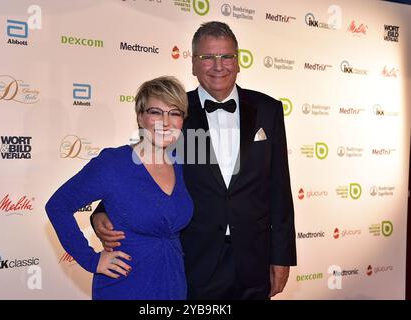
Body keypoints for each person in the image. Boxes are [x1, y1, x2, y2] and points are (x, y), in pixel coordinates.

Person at [92, 21, 296, 300]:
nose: (218, 66)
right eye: (207, 57)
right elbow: (141, 166)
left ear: (238, 62)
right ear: (193, 64)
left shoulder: (268, 109)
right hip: (194, 259)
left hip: (254, 259)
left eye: (226, 56)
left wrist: (282, 256)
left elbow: (279, 189)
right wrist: (103, 210)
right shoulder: (174, 112)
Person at [45, 76, 193, 300]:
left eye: (174, 113)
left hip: (173, 285)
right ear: (140, 118)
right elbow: (58, 206)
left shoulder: (181, 164)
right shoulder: (113, 163)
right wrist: (91, 260)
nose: (166, 122)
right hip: (125, 287)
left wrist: (100, 212)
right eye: (156, 112)